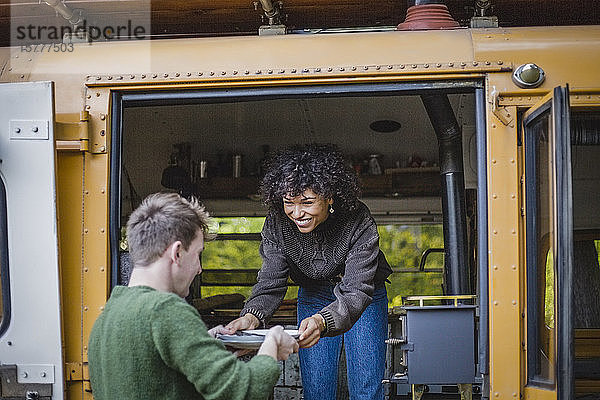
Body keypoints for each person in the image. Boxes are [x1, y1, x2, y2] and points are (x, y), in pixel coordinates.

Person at [88, 192, 298, 400]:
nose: (199, 269)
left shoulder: (108, 315)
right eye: (198, 254)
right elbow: (243, 390)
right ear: (177, 253)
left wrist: (206, 342)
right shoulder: (166, 310)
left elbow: (152, 373)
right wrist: (272, 343)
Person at [224, 144, 392, 400]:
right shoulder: (277, 222)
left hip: (365, 296)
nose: (297, 213)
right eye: (289, 203)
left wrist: (324, 321)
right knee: (317, 389)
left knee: (367, 390)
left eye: (308, 202)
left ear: (330, 197)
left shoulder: (358, 219)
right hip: (314, 294)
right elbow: (270, 282)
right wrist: (251, 317)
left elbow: (357, 289)